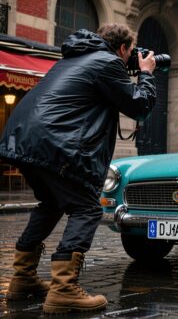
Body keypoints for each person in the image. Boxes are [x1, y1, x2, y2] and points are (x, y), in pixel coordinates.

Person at [0, 23, 157, 314]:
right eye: (131, 53)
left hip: (23, 140)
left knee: (50, 204)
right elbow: (139, 106)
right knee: (86, 209)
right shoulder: (108, 62)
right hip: (55, 144)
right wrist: (146, 73)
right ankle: (63, 289)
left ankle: (22, 278)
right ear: (123, 49)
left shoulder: (73, 59)